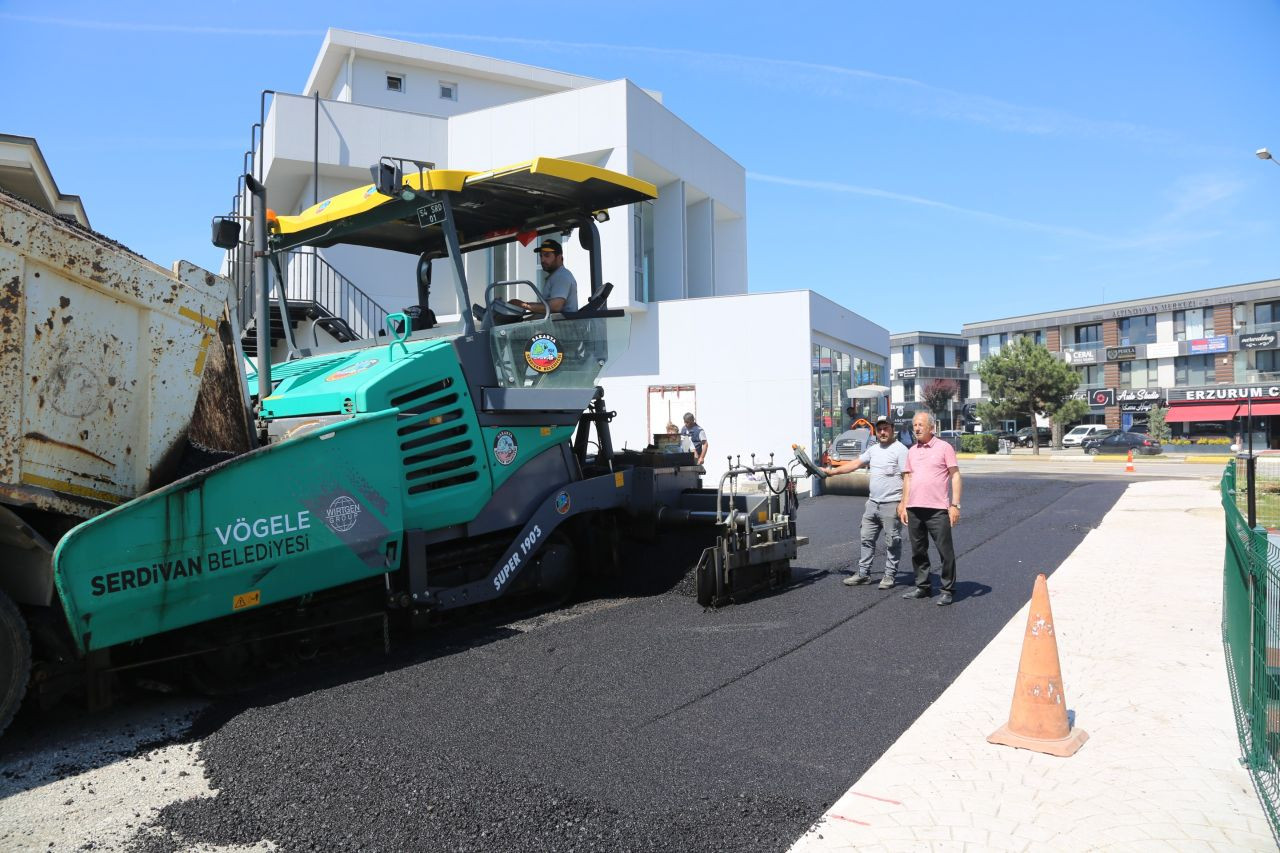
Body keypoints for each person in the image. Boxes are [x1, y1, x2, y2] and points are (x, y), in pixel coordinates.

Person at [820, 414, 907, 590]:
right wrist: (831, 472)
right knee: (866, 539)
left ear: (892, 429)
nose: (882, 432)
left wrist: (904, 503)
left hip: (892, 504)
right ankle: (863, 574)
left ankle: (889, 575)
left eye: (886, 428)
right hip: (872, 504)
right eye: (879, 429)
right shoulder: (873, 450)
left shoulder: (901, 450)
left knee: (892, 542)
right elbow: (855, 464)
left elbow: (908, 478)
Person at [897, 411, 963, 606]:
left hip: (937, 510)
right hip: (914, 509)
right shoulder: (912, 451)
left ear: (931, 428)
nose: (916, 428)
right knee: (918, 551)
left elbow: (955, 476)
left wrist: (955, 505)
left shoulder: (944, 448)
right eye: (914, 425)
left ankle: (947, 589)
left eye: (920, 425)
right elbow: (908, 478)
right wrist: (903, 503)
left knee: (945, 551)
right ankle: (923, 587)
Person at [509, 238, 578, 315]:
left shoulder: (561, 276)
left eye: (547, 255)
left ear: (559, 257)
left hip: (562, 326)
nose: (542, 260)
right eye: (541, 256)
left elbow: (555, 306)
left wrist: (523, 305)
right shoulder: (556, 276)